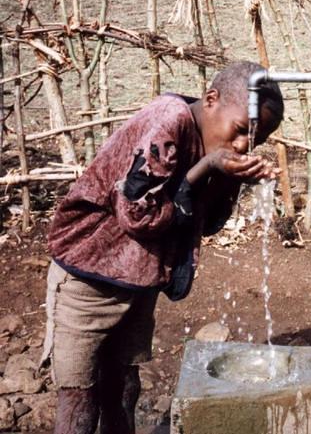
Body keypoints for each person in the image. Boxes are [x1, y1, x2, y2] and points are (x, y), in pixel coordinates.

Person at [43, 61, 284, 434]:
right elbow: (137, 214)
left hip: (137, 281)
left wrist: (226, 176)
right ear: (211, 100)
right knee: (80, 399)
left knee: (123, 387)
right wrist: (206, 167)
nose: (241, 145)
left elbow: (205, 223)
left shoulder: (211, 147)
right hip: (86, 282)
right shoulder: (168, 122)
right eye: (239, 131)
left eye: (254, 142)